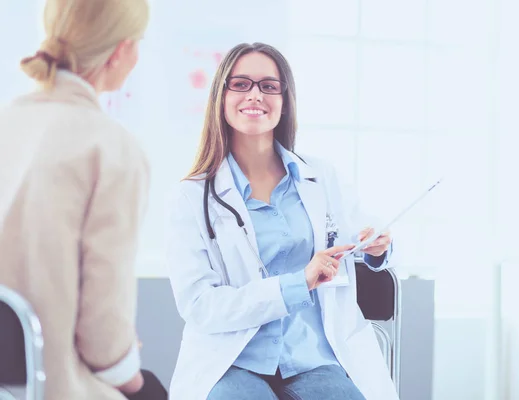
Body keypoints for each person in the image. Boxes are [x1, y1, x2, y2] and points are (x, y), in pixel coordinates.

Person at [165, 42, 399, 400]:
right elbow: (199, 305)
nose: (255, 94)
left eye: (269, 86)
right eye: (240, 84)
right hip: (233, 359)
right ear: (221, 96)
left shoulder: (321, 178)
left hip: (315, 358)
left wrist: (377, 248)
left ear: (284, 99)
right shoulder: (193, 197)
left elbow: (361, 241)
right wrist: (298, 283)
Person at [0, 1, 166, 399]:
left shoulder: (7, 122)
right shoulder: (112, 148)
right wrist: (138, 383)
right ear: (122, 51)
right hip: (51, 383)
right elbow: (103, 343)